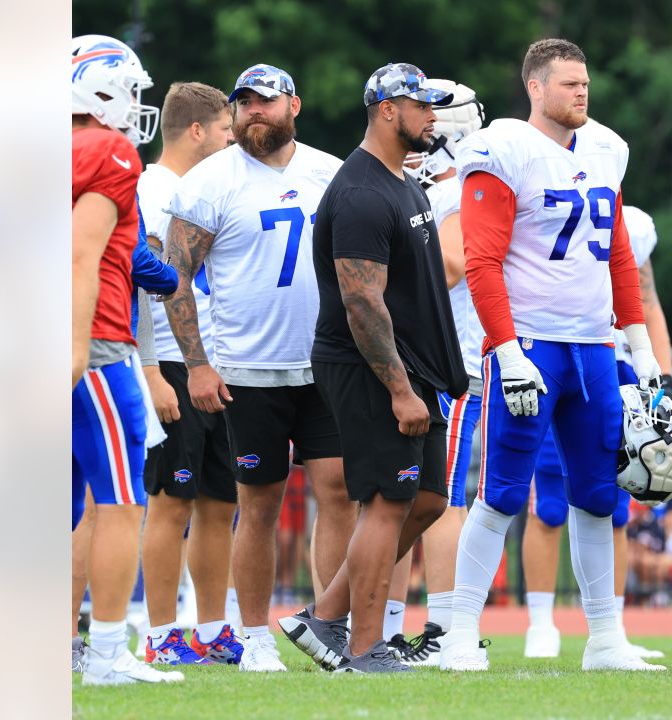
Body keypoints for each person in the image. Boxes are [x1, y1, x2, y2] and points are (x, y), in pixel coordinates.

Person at [438, 38, 663, 673]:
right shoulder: (504, 147)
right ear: (535, 88)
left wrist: (639, 346)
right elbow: (480, 260)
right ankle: (459, 632)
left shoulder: (606, 149)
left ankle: (604, 639)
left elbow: (619, 255)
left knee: (597, 495)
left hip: (594, 346)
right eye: (568, 83)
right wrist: (506, 351)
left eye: (585, 82)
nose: (582, 92)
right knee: (504, 490)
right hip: (531, 341)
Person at [277, 62, 468, 674]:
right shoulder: (361, 191)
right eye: (422, 105)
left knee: (429, 500)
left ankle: (324, 616)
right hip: (371, 369)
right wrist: (401, 390)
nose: (431, 114)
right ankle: (363, 649)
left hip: (414, 370)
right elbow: (362, 302)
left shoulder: (403, 181)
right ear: (388, 110)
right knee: (388, 501)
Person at [163, 64, 351, 673]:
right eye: (244, 103)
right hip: (247, 369)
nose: (254, 113)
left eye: (266, 103)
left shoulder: (331, 172)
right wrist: (197, 365)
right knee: (260, 504)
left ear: (294, 105)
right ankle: (254, 636)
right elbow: (174, 280)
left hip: (324, 363)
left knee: (340, 492)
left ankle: (330, 626)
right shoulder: (209, 181)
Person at [70, 33, 182, 686]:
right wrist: (77, 346)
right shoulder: (107, 149)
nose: (136, 106)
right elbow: (83, 254)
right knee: (118, 501)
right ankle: (108, 654)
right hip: (98, 343)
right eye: (131, 91)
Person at [520, 202, 672, 661]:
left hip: (618, 360)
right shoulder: (542, 197)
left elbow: (646, 300)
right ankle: (541, 623)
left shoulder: (635, 222)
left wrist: (660, 378)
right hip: (560, 352)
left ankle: (612, 626)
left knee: (616, 500)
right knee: (547, 500)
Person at [381, 78, 487, 667]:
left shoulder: (461, 191)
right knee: (406, 497)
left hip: (448, 364)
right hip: (418, 362)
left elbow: (448, 267)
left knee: (435, 497)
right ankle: (396, 626)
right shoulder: (417, 191)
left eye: (424, 115)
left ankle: (442, 627)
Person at [135, 81, 241, 666]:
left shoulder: (206, 186)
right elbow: (148, 292)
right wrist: (153, 372)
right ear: (197, 131)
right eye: (225, 130)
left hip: (216, 363)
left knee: (220, 502)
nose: (231, 140)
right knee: (169, 501)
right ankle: (159, 635)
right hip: (173, 363)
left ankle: (210, 629)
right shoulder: (154, 191)